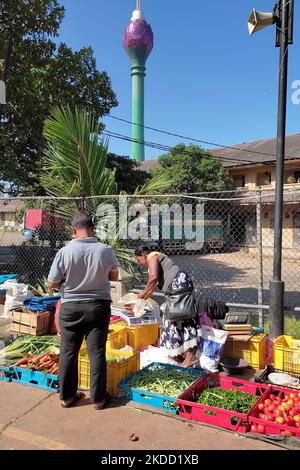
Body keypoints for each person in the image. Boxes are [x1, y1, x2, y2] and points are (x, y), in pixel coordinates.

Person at [48, 212, 118, 410]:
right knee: (97, 352)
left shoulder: (64, 252)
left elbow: (53, 283)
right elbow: (113, 276)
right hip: (98, 307)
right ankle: (98, 399)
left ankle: (67, 397)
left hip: (71, 307)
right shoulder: (105, 250)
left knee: (68, 352)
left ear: (73, 230)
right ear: (92, 228)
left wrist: (67, 284)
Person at [135, 246, 199, 367]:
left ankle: (190, 357)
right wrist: (142, 298)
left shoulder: (152, 255)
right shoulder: (152, 264)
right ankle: (179, 356)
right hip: (175, 290)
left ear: (143, 255)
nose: (140, 263)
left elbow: (153, 278)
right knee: (174, 321)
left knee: (183, 318)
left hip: (179, 286)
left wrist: (143, 292)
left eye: (138, 260)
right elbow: (152, 288)